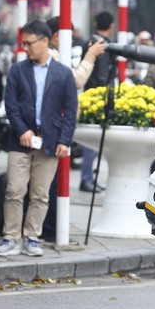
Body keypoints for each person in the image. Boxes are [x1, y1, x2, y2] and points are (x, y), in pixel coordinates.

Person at [0, 20, 78, 256]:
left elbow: (71, 111)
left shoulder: (63, 73)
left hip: (50, 142)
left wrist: (64, 140)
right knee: (14, 190)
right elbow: (10, 105)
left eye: (29, 43)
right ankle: (10, 237)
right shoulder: (18, 70)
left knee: (40, 194)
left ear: (44, 41)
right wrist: (22, 131)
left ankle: (31, 237)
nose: (26, 48)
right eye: (24, 43)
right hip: (20, 141)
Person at [42, 16, 105, 242]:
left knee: (53, 180)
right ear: (58, 36)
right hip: (51, 127)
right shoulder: (52, 55)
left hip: (56, 125)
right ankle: (50, 230)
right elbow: (75, 79)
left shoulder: (52, 54)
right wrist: (90, 56)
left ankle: (50, 228)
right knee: (50, 182)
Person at [80, 11, 116, 193]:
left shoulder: (90, 41)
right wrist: (106, 94)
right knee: (92, 143)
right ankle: (86, 178)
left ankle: (89, 177)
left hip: (88, 93)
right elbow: (102, 74)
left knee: (91, 142)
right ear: (111, 26)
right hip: (97, 96)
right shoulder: (103, 45)